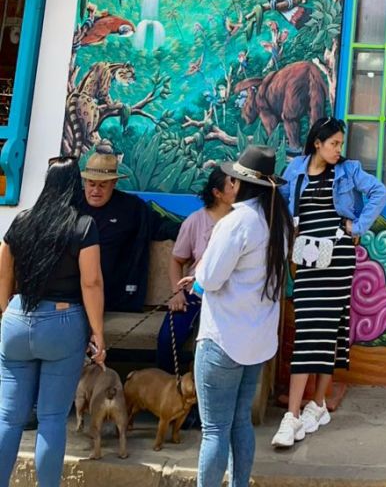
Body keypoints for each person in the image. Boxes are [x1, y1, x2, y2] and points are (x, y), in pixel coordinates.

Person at [275, 119, 386, 449]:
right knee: (308, 330)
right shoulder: (295, 170)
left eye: (341, 143)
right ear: (317, 143)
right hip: (307, 259)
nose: (339, 149)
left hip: (337, 257)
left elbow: (379, 192)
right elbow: (280, 204)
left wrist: (357, 227)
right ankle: (305, 409)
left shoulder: (349, 171)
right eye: (334, 143)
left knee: (326, 329)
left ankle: (305, 409)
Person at [190, 147, 292, 487]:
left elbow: (211, 279)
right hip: (257, 342)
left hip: (223, 338)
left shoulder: (236, 222)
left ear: (238, 183)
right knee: (240, 422)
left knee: (214, 429)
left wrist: (198, 278)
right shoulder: (277, 222)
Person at [0, 157, 104, 487]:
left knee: (8, 418)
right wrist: (98, 333)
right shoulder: (83, 226)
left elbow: (3, 272)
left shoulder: (21, 221)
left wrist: (5, 311)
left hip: (17, 318)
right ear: (75, 186)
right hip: (62, 324)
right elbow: (91, 283)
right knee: (52, 419)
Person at [75, 151, 180, 312]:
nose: (95, 191)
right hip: (76, 300)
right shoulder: (73, 205)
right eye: (91, 184)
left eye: (102, 185)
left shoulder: (131, 207)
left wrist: (195, 232)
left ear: (114, 183)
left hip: (116, 300)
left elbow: (161, 227)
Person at [163, 167, 234, 376]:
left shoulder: (242, 221)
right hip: (196, 293)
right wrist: (177, 293)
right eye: (232, 184)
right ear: (217, 193)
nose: (237, 188)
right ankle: (169, 388)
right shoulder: (195, 221)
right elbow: (176, 261)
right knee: (168, 338)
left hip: (230, 297)